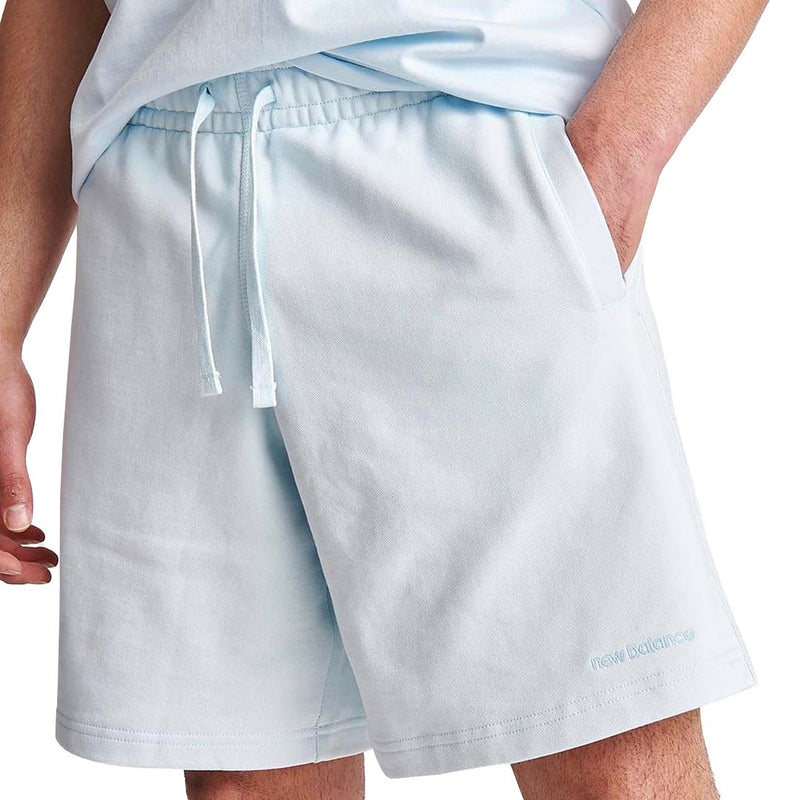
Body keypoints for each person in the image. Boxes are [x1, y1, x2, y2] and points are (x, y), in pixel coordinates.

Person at [0, 0, 767, 798]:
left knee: (607, 755)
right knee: (246, 777)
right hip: (168, 183)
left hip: (461, 140)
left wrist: (618, 153)